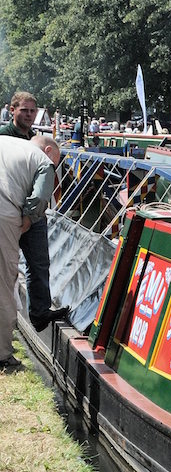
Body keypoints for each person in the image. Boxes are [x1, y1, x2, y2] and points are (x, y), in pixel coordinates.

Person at [0, 91, 68, 332]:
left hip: (32, 211)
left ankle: (39, 312)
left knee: (39, 262)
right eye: (24, 111)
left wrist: (31, 215)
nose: (29, 115)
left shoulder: (35, 139)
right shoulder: (4, 137)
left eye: (32, 111)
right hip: (9, 207)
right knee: (5, 269)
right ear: (12, 110)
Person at [0, 135, 62, 371]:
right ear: (48, 151)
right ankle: (3, 354)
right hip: (5, 215)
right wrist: (27, 220)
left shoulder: (6, 143)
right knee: (5, 283)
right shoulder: (43, 161)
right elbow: (39, 197)